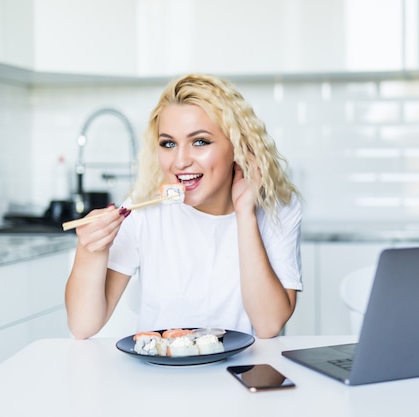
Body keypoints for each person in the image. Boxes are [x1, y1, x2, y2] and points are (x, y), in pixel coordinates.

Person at [65, 74, 302, 340]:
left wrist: (245, 212)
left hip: (244, 373)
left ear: (238, 146)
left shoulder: (278, 208)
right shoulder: (142, 210)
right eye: (168, 143)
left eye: (200, 141)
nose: (180, 162)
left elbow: (269, 325)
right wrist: (90, 251)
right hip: (160, 375)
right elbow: (82, 326)